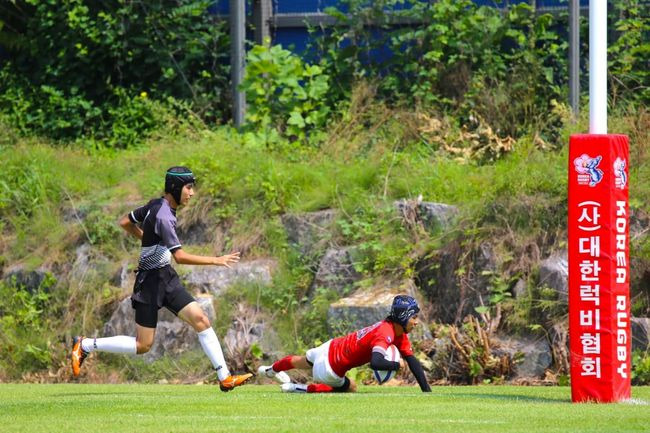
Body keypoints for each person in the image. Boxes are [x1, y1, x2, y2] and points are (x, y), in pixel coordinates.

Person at [71, 166, 252, 392]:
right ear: (175, 188)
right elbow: (181, 257)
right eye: (188, 188)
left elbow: (125, 222)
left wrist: (147, 241)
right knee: (143, 345)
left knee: (201, 320)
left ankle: (224, 377)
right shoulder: (164, 216)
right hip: (150, 283)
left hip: (166, 277)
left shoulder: (155, 204)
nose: (192, 193)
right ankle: (86, 345)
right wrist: (216, 260)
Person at [258, 295, 432, 393]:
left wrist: (426, 391)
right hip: (330, 369)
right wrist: (396, 365)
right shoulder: (385, 333)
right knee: (352, 388)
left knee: (299, 360)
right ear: (403, 317)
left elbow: (412, 359)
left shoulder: (397, 332)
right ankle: (298, 388)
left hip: (328, 347)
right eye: (414, 317)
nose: (416, 322)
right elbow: (376, 363)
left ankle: (270, 370)